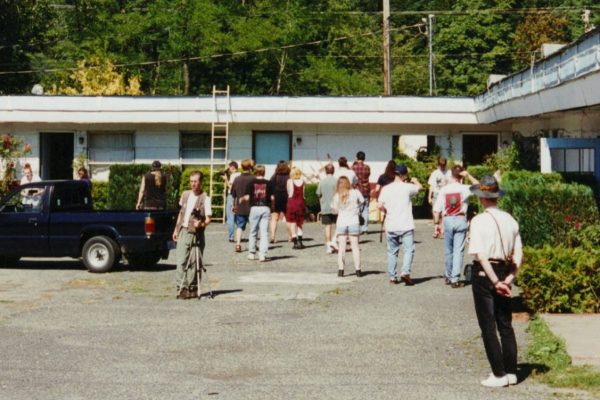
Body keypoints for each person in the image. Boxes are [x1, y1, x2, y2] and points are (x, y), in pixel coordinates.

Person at [468, 176, 523, 388]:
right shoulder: (511, 220)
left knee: (488, 324)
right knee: (505, 323)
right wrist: (508, 279)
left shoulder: (478, 221)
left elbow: (481, 255)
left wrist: (494, 281)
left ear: (481, 197)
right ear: (497, 196)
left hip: (485, 273)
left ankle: (498, 374)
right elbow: (519, 254)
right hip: (505, 270)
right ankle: (511, 371)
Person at [432, 165, 479, 288]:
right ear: (461, 175)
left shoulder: (444, 190)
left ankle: (448, 275)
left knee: (448, 250)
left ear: (451, 175)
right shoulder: (465, 188)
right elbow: (480, 186)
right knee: (458, 250)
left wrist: (436, 224)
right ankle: (455, 279)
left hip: (447, 219)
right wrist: (469, 176)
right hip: (460, 218)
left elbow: (436, 209)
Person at [378, 164, 422, 285]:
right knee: (408, 250)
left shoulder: (386, 188)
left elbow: (379, 205)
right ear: (403, 175)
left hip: (391, 224)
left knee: (392, 251)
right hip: (406, 224)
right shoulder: (408, 187)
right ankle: (405, 272)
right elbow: (420, 188)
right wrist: (415, 180)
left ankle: (392, 277)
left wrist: (385, 210)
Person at [172, 171, 212, 299]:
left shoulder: (206, 198)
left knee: (196, 263)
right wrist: (176, 230)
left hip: (197, 233)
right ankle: (182, 288)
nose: (193, 184)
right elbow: (181, 214)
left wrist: (201, 224)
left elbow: (208, 218)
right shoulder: (185, 195)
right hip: (184, 231)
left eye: (195, 181)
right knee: (181, 261)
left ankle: (193, 288)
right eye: (191, 181)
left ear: (201, 182)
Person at [331, 176, 364, 277]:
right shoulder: (355, 192)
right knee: (355, 247)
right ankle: (358, 270)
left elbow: (335, 210)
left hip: (341, 222)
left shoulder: (337, 195)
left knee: (341, 248)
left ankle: (341, 270)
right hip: (354, 221)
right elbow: (362, 201)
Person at [242, 165, 273, 262]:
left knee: (253, 231)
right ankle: (262, 255)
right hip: (265, 208)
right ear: (264, 172)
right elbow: (272, 198)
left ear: (255, 172)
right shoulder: (269, 183)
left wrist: (242, 199)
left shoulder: (250, 183)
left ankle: (251, 253)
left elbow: (247, 197)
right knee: (264, 233)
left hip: (254, 208)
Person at [230, 159, 255, 252]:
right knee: (253, 226)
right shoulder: (254, 178)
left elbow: (233, 195)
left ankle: (238, 244)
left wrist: (233, 205)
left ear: (241, 167)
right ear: (250, 167)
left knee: (239, 226)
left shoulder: (237, 179)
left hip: (240, 206)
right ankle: (253, 244)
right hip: (252, 206)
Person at [316, 163, 338, 254]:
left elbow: (318, 193)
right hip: (336, 207)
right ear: (334, 171)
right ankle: (334, 240)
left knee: (327, 227)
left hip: (325, 207)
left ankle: (328, 246)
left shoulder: (322, 182)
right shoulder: (337, 181)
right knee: (338, 226)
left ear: (325, 171)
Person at [427, 157, 452, 238]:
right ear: (438, 165)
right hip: (437, 194)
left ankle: (442, 230)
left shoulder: (449, 172)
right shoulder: (435, 173)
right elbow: (431, 186)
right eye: (441, 165)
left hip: (446, 194)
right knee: (436, 212)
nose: (442, 167)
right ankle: (436, 228)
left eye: (443, 165)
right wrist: (429, 197)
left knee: (444, 213)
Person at [269, 161, 291, 243]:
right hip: (286, 198)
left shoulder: (274, 176)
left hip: (276, 198)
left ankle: (272, 237)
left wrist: (271, 195)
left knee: (274, 218)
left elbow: (269, 186)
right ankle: (290, 237)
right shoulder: (289, 177)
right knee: (288, 218)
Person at [286, 167, 306, 249]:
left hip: (292, 202)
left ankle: (295, 242)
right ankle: (300, 241)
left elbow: (289, 192)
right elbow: (304, 193)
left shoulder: (290, 181)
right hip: (300, 202)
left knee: (292, 222)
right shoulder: (303, 181)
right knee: (300, 223)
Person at [351, 151, 371, 234]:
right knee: (365, 209)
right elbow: (368, 175)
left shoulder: (353, 168)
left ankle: (358, 227)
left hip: (357, 190)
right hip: (365, 190)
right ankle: (365, 229)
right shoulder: (367, 167)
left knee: (357, 209)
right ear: (364, 158)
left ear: (357, 157)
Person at [223, 161, 240, 243]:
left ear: (232, 167)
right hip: (239, 197)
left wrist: (226, 180)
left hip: (232, 196)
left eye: (229, 167)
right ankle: (240, 235)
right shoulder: (240, 174)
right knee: (237, 217)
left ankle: (231, 237)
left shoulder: (233, 175)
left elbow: (231, 187)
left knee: (230, 217)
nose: (228, 169)